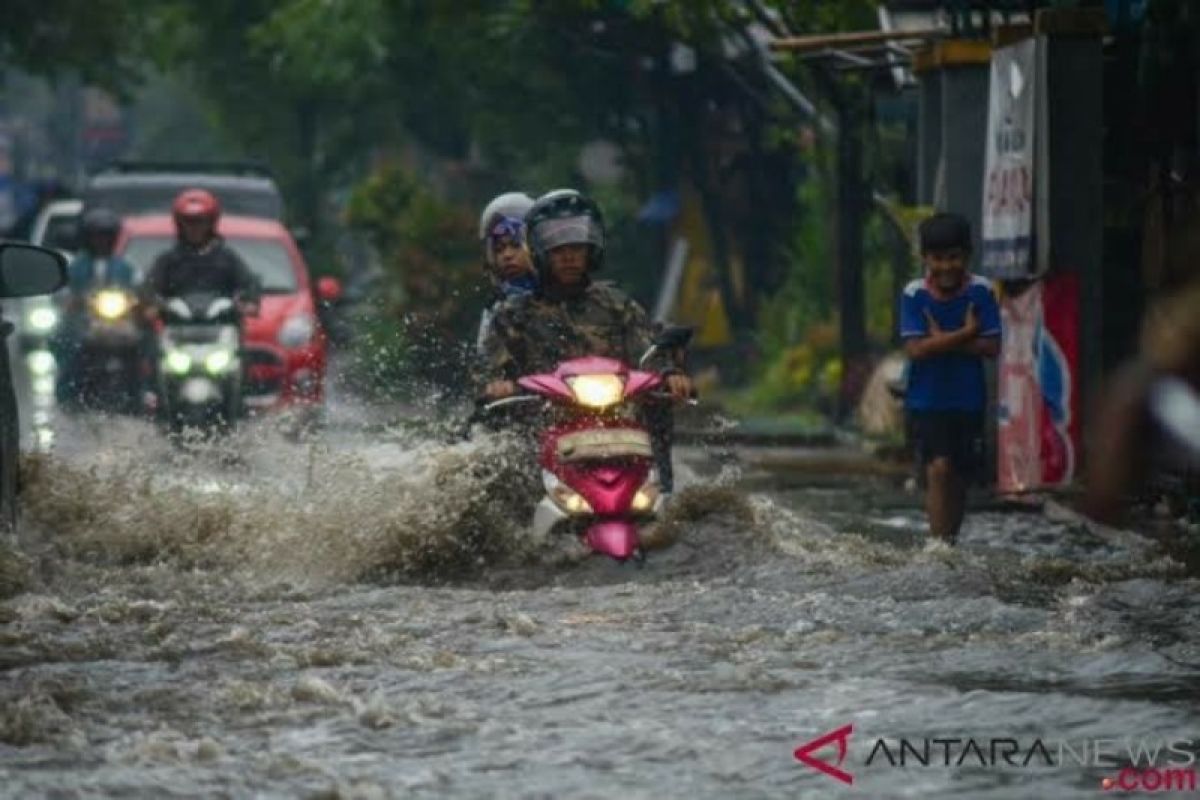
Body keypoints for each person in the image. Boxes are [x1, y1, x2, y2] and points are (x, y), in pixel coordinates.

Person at [478, 189, 693, 491]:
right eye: (557, 248)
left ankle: (662, 491)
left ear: (592, 249)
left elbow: (647, 350)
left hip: (618, 425)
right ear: (539, 251)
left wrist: (670, 374)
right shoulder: (512, 315)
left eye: (577, 246)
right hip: (545, 432)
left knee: (659, 476)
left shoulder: (617, 304)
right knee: (505, 479)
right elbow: (489, 367)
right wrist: (497, 385)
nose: (568, 256)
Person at [899, 212, 1002, 544]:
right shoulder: (914, 294)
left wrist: (941, 340)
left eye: (953, 257)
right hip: (926, 399)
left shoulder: (983, 291)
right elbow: (915, 350)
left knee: (958, 476)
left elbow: (991, 346)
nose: (946, 266)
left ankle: (949, 544)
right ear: (925, 258)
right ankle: (938, 546)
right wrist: (967, 332)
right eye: (938, 259)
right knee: (939, 468)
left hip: (968, 400)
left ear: (967, 256)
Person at [140, 189, 261, 402]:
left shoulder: (227, 258)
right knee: (150, 356)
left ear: (211, 222)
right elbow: (150, 287)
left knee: (243, 360)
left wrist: (249, 303)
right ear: (179, 223)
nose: (194, 228)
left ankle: (241, 403)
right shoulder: (168, 260)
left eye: (200, 221)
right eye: (188, 221)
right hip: (177, 333)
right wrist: (150, 305)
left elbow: (249, 284)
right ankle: (153, 400)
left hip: (221, 331)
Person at [53, 207, 138, 404]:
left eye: (106, 236)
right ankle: (68, 393)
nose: (102, 241)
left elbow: (138, 289)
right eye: (97, 236)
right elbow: (62, 292)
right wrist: (73, 301)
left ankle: (142, 393)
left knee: (143, 345)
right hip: (83, 322)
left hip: (117, 323)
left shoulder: (125, 266)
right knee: (66, 342)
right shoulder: (75, 266)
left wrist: (140, 302)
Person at [475, 192, 537, 353]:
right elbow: (484, 358)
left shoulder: (556, 294)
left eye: (516, 245)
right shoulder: (496, 307)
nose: (507, 255)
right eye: (499, 249)